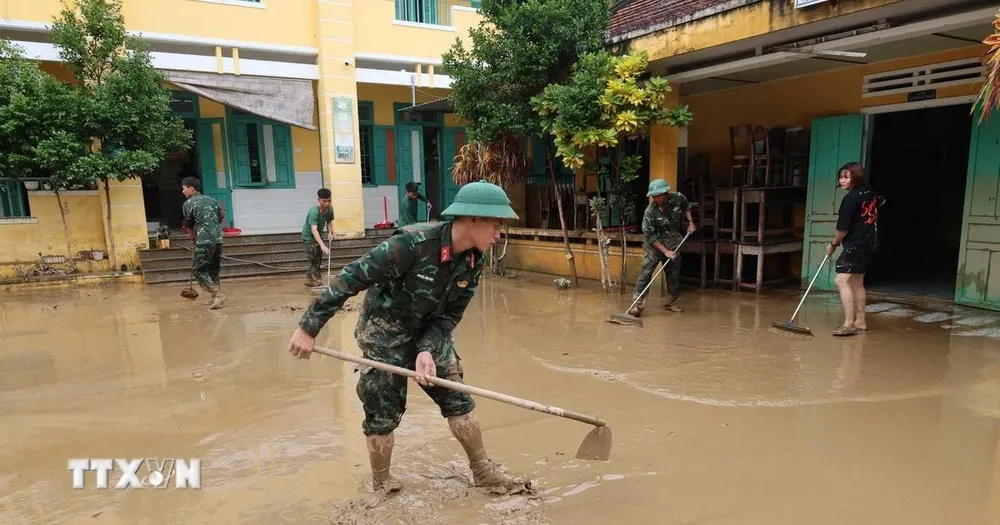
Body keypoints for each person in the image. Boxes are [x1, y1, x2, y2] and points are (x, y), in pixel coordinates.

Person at [287, 180, 530, 495]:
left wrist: (427, 349)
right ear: (472, 219)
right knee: (381, 414)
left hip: (428, 332)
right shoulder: (412, 244)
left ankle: (482, 470)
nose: (499, 234)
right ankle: (382, 483)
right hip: (384, 334)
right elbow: (352, 277)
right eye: (496, 225)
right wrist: (309, 327)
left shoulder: (474, 259)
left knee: (459, 400)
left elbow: (449, 316)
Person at [826, 162, 886, 337]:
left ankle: (848, 324)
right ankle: (860, 322)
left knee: (841, 280)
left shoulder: (850, 199)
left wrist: (833, 245)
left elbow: (843, 230)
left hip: (856, 244)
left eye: (847, 177)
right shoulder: (870, 192)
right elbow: (882, 201)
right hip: (871, 241)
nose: (842, 180)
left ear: (856, 177)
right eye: (841, 176)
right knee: (857, 282)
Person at [628, 179, 696, 317]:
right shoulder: (650, 212)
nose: (657, 198)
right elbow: (650, 236)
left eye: (659, 195)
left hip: (674, 242)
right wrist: (665, 251)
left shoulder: (677, 198)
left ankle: (671, 302)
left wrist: (690, 222)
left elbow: (686, 205)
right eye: (654, 196)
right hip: (655, 246)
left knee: (674, 273)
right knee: (646, 273)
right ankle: (637, 305)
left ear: (666, 193)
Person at [181, 177, 227, 309]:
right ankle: (215, 298)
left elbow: (189, 225)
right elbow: (221, 217)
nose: (182, 191)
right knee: (213, 269)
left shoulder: (188, 204)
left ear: (191, 189)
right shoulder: (212, 200)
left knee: (199, 270)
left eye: (184, 188)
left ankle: (218, 294)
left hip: (204, 241)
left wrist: (193, 239)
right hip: (218, 240)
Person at [302, 188, 336, 287]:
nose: (326, 203)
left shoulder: (330, 209)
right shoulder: (314, 212)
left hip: (318, 236)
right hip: (309, 237)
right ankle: (312, 277)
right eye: (324, 201)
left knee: (318, 258)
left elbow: (329, 221)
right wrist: (322, 244)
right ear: (319, 200)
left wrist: (330, 232)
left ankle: (312, 278)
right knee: (313, 258)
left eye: (329, 200)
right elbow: (314, 230)